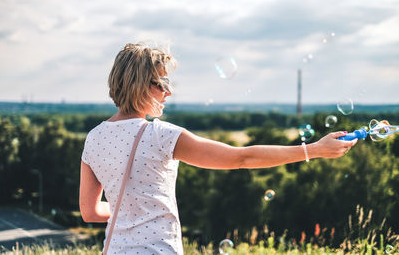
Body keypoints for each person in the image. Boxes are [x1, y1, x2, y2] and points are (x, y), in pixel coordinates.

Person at [79, 43, 357, 254]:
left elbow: (90, 213)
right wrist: (313, 150)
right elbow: (241, 157)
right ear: (140, 85)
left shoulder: (93, 138)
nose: (169, 92)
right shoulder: (160, 135)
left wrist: (130, 209)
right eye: (162, 83)